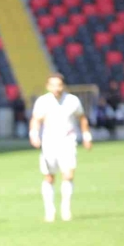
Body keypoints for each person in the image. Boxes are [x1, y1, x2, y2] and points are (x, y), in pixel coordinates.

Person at [29, 73, 92, 222]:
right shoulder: (43, 102)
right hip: (49, 142)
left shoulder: (72, 101)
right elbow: (36, 120)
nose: (56, 88)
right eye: (53, 85)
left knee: (68, 175)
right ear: (48, 86)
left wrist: (87, 136)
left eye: (59, 85)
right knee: (49, 177)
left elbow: (82, 118)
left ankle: (66, 209)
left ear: (63, 86)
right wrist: (34, 135)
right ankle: (50, 210)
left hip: (68, 141)